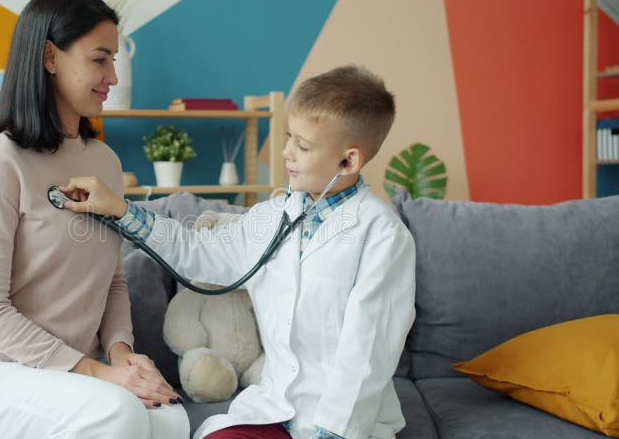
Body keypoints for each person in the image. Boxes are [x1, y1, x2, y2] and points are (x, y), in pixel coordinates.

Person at [60, 65, 417, 439]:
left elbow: (368, 349)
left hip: (341, 423)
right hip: (273, 410)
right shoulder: (272, 217)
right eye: (289, 137)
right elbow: (196, 251)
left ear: (349, 161)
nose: (286, 152)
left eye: (303, 145)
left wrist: (335, 432)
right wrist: (120, 209)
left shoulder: (383, 236)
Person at [0, 0, 189, 438]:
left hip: (65, 373)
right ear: (50, 56)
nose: (112, 76)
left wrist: (121, 352)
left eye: (113, 61)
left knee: (169, 419)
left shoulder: (103, 161)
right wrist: (96, 372)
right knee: (119, 415)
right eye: (99, 59)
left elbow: (111, 279)